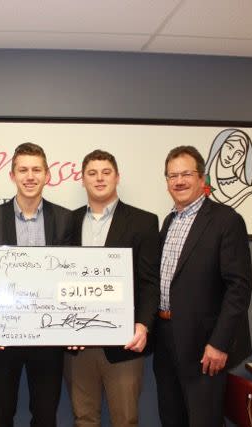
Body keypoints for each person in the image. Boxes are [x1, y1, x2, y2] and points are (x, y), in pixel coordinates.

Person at [0, 142, 73, 427]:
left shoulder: (66, 218)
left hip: (48, 336)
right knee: (0, 415)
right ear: (12, 175)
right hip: (3, 337)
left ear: (47, 175)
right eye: (23, 170)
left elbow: (69, 278)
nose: (30, 176)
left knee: (45, 416)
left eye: (36, 170)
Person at [154, 145, 252, 427]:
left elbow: (239, 288)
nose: (179, 181)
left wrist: (219, 343)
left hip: (205, 346)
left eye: (186, 174)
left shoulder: (226, 221)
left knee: (204, 421)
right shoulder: (169, 221)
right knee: (171, 418)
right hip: (166, 337)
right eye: (172, 176)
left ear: (202, 179)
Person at [63, 149, 159, 427]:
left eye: (106, 172)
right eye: (92, 173)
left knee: (125, 420)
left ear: (117, 177)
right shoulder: (68, 221)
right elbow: (61, 281)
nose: (99, 178)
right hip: (77, 344)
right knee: (83, 419)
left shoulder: (144, 222)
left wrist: (143, 325)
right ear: (82, 180)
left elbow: (149, 282)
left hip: (124, 342)